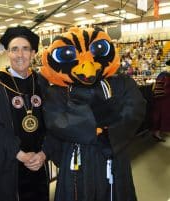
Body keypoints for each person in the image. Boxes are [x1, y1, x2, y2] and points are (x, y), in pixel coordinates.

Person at [40, 27, 146, 201]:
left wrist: (109, 135)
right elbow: (57, 121)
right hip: (76, 159)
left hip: (113, 155)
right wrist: (100, 124)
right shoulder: (58, 91)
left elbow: (135, 109)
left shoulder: (121, 83)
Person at [0, 26, 51, 201]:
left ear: (33, 53)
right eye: (14, 49)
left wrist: (44, 154)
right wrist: (20, 155)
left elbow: (53, 122)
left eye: (25, 49)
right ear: (7, 53)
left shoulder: (42, 82)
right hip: (10, 165)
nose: (20, 55)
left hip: (39, 162)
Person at [151, 59, 170, 142]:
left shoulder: (164, 75)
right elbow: (159, 89)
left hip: (165, 100)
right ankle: (156, 133)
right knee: (159, 116)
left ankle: (160, 131)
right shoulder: (164, 75)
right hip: (162, 100)